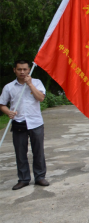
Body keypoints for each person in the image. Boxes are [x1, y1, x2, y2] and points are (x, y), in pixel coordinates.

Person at [0, 60, 49, 190]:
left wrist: (30, 84)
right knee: (20, 152)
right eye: (19, 69)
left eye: (25, 69)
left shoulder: (37, 82)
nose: (22, 72)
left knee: (38, 151)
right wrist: (8, 112)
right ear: (14, 70)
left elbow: (41, 98)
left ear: (29, 70)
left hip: (36, 122)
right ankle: (23, 179)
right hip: (18, 123)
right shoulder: (9, 87)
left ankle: (40, 177)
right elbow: (2, 104)